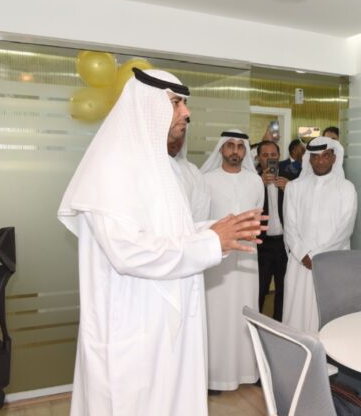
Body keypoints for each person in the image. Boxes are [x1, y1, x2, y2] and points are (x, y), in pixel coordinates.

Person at [58, 68, 264, 416]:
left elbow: (167, 232)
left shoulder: (157, 167)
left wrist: (215, 230)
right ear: (146, 106)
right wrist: (211, 242)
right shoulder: (111, 168)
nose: (186, 112)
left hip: (162, 323)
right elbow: (128, 252)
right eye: (175, 103)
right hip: (133, 326)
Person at [200, 130, 265, 391]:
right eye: (230, 146)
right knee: (217, 313)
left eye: (240, 146)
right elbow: (199, 220)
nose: (235, 151)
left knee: (246, 311)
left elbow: (258, 216)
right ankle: (215, 377)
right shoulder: (206, 180)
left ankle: (248, 372)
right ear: (221, 149)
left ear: (245, 151)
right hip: (217, 259)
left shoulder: (255, 181)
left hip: (248, 257)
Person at [282, 136, 357, 333]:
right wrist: (302, 254)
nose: (320, 161)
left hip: (332, 263)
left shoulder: (346, 188)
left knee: (329, 316)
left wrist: (319, 257)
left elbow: (345, 229)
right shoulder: (294, 188)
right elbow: (289, 226)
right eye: (315, 157)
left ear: (334, 158)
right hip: (300, 262)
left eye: (326, 156)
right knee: (297, 313)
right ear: (309, 159)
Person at [256, 140, 290, 321]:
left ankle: (280, 328)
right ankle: (254, 327)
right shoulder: (251, 180)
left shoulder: (290, 179)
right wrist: (258, 184)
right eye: (265, 155)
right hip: (261, 246)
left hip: (285, 245)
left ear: (279, 156)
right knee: (259, 289)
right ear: (258, 158)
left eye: (274, 155)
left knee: (284, 290)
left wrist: (290, 189)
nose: (270, 159)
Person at [170, 128, 210, 221]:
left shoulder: (192, 171)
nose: (176, 140)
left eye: (181, 136)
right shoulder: (146, 167)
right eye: (172, 134)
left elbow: (201, 210)